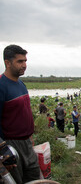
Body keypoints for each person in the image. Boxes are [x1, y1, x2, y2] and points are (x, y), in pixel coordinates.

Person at [0, 44, 40, 183]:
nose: (24, 65)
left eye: (25, 61)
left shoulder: (21, 84)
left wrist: (30, 135)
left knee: (34, 178)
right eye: (20, 61)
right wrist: (3, 149)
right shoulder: (1, 85)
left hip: (27, 142)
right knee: (17, 180)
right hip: (11, 144)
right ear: (7, 63)